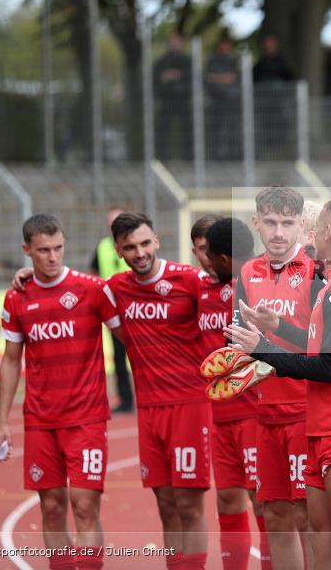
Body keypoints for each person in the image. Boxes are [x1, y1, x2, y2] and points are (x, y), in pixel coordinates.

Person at [227, 198, 331, 569]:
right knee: (317, 532)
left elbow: (328, 367)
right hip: (321, 426)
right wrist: (277, 329)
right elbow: (321, 348)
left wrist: (263, 348)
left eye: (313, 228)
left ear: (325, 232)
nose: (308, 237)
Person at [0, 214, 120, 570]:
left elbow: (130, 337)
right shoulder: (17, 297)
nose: (53, 257)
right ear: (27, 251)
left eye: (58, 248)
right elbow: (10, 361)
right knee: (51, 507)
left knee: (84, 505)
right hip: (39, 420)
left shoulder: (91, 289)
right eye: (44, 250)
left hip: (86, 418)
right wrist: (1, 422)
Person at [108, 212, 211, 569]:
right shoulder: (113, 288)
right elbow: (67, 289)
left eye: (145, 243)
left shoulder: (191, 280)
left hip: (189, 404)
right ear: (118, 250)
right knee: (165, 504)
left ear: (157, 241)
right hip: (149, 410)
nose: (140, 253)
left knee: (188, 503)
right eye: (130, 247)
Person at [239, 186, 316, 569]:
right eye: (270, 222)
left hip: (306, 412)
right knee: (275, 516)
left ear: (301, 225)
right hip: (264, 413)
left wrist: (278, 328)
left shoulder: (318, 271)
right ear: (256, 223)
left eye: (287, 222)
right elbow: (243, 339)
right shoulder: (247, 272)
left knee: (309, 518)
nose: (278, 232)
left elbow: (325, 347)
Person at [192, 216, 272, 570]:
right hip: (220, 417)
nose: (201, 259)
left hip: (256, 415)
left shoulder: (263, 283)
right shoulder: (198, 287)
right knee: (227, 499)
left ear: (223, 257)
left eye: (206, 252)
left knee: (264, 503)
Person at [90, 208, 133, 413]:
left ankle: (148, 395)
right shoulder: (103, 247)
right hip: (114, 310)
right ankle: (126, 400)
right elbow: (94, 271)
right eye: (111, 221)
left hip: (136, 307)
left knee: (144, 355)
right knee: (117, 357)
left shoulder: (136, 244)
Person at [154, 32, 193, 161]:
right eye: (172, 42)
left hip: (183, 99)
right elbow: (157, 76)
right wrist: (166, 76)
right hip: (167, 100)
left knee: (186, 130)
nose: (175, 45)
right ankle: (162, 158)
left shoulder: (187, 61)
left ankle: (189, 158)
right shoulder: (162, 61)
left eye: (177, 42)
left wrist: (178, 75)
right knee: (163, 130)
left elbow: (191, 77)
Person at [205, 33, 241, 161]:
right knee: (215, 130)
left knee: (232, 129)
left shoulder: (234, 61)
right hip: (216, 102)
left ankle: (232, 156)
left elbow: (233, 78)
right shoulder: (212, 60)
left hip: (231, 103)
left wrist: (217, 78)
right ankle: (216, 157)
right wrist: (223, 78)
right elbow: (208, 78)